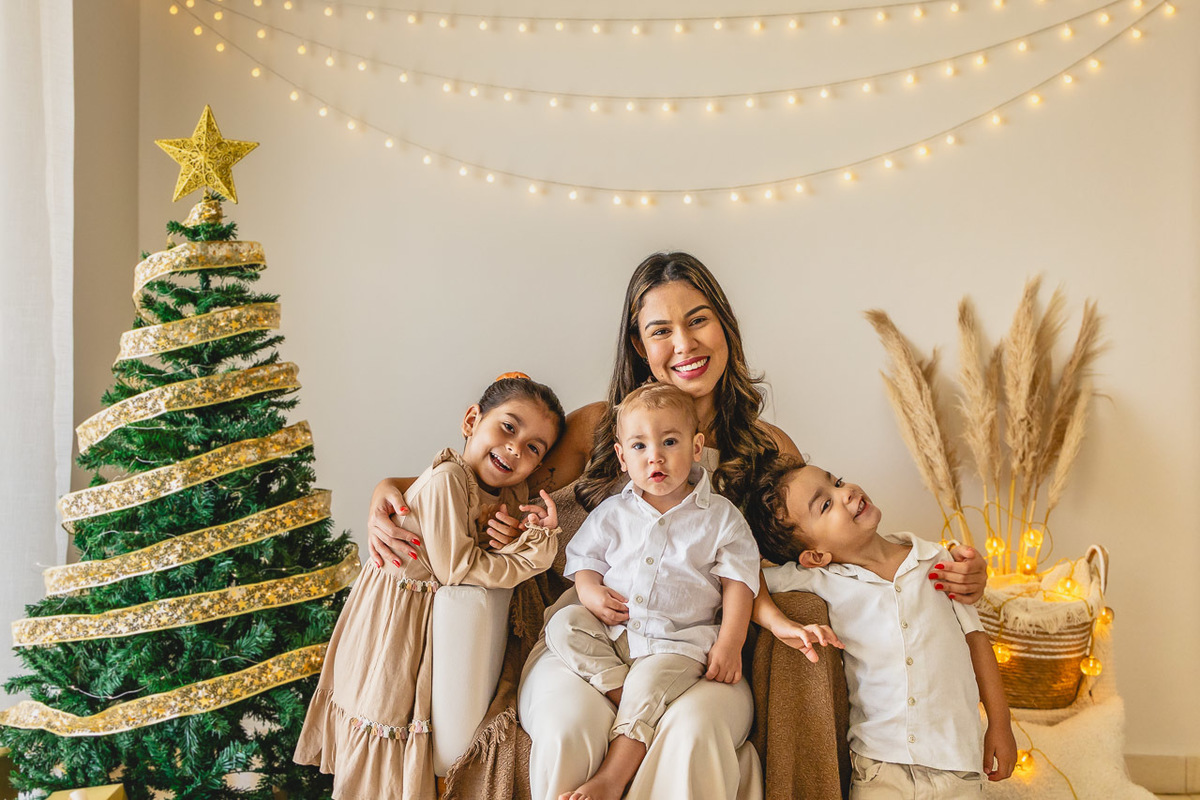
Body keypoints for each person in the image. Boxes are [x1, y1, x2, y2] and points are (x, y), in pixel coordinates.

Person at [367, 252, 989, 800]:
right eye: (660, 330)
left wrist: (940, 569)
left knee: (692, 733)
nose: (684, 345)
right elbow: (488, 479)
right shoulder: (596, 429)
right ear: (640, 346)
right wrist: (391, 490)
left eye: (697, 320)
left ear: (724, 326)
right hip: (596, 640)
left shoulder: (768, 448)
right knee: (565, 724)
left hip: (696, 651)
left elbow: (832, 546)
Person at [548, 384, 834, 800]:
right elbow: (583, 560)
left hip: (676, 645)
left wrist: (730, 642)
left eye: (669, 442)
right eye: (640, 446)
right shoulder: (613, 513)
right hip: (616, 635)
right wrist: (590, 592)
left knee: (650, 683)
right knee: (564, 624)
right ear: (622, 457)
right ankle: (619, 691)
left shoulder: (720, 518)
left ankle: (612, 777)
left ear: (696, 446)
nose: (655, 457)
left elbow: (740, 583)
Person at [295, 375, 566, 800]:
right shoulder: (447, 480)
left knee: (406, 732)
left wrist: (524, 531)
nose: (516, 448)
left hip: (423, 617)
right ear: (472, 419)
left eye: (534, 446)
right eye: (508, 427)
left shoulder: (510, 491)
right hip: (392, 613)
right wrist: (535, 555)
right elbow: (459, 567)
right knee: (383, 719)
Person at [745, 454, 1017, 798]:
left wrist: (1000, 723)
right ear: (816, 556)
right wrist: (778, 621)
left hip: (956, 762)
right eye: (826, 503)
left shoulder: (937, 561)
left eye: (838, 481)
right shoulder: (821, 580)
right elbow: (741, 574)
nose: (846, 492)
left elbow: (977, 642)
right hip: (879, 767)